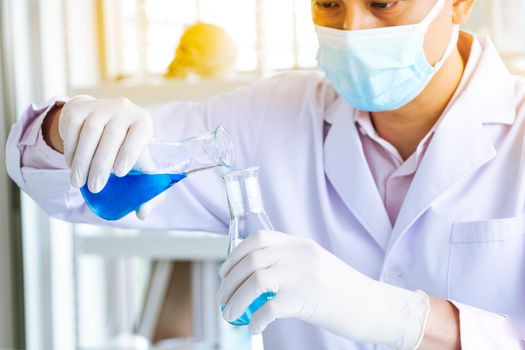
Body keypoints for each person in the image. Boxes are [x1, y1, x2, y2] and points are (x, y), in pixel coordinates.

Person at [5, 0, 525, 348]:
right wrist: (66, 128)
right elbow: (63, 186)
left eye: (382, 1)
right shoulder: (271, 117)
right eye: (329, 2)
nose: (352, 30)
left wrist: (401, 319)